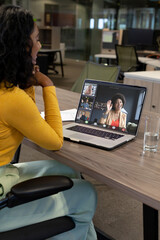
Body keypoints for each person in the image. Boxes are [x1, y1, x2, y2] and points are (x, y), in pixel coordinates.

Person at [0, 5, 97, 240]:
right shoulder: (11, 98)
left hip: (5, 171)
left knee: (69, 171)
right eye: (36, 39)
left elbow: (27, 111)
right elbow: (54, 141)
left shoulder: (7, 87)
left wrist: (26, 83)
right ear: (24, 47)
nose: (40, 45)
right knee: (87, 193)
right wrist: (48, 86)